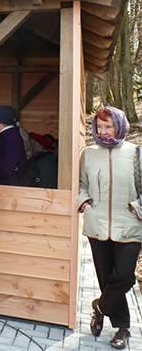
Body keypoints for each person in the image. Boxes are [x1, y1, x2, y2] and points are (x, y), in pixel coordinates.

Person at [79, 106, 142, 350]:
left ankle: (100, 308)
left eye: (109, 126)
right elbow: (82, 185)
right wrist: (84, 203)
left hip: (130, 223)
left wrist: (138, 207)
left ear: (120, 126)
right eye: (99, 127)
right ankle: (123, 329)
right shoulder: (89, 154)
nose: (104, 132)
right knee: (107, 278)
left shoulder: (136, 153)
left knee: (124, 276)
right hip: (98, 225)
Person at [0, 105, 26, 186]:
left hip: (7, 187)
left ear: (3, 123)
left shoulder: (12, 138)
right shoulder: (9, 136)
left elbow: (5, 169)